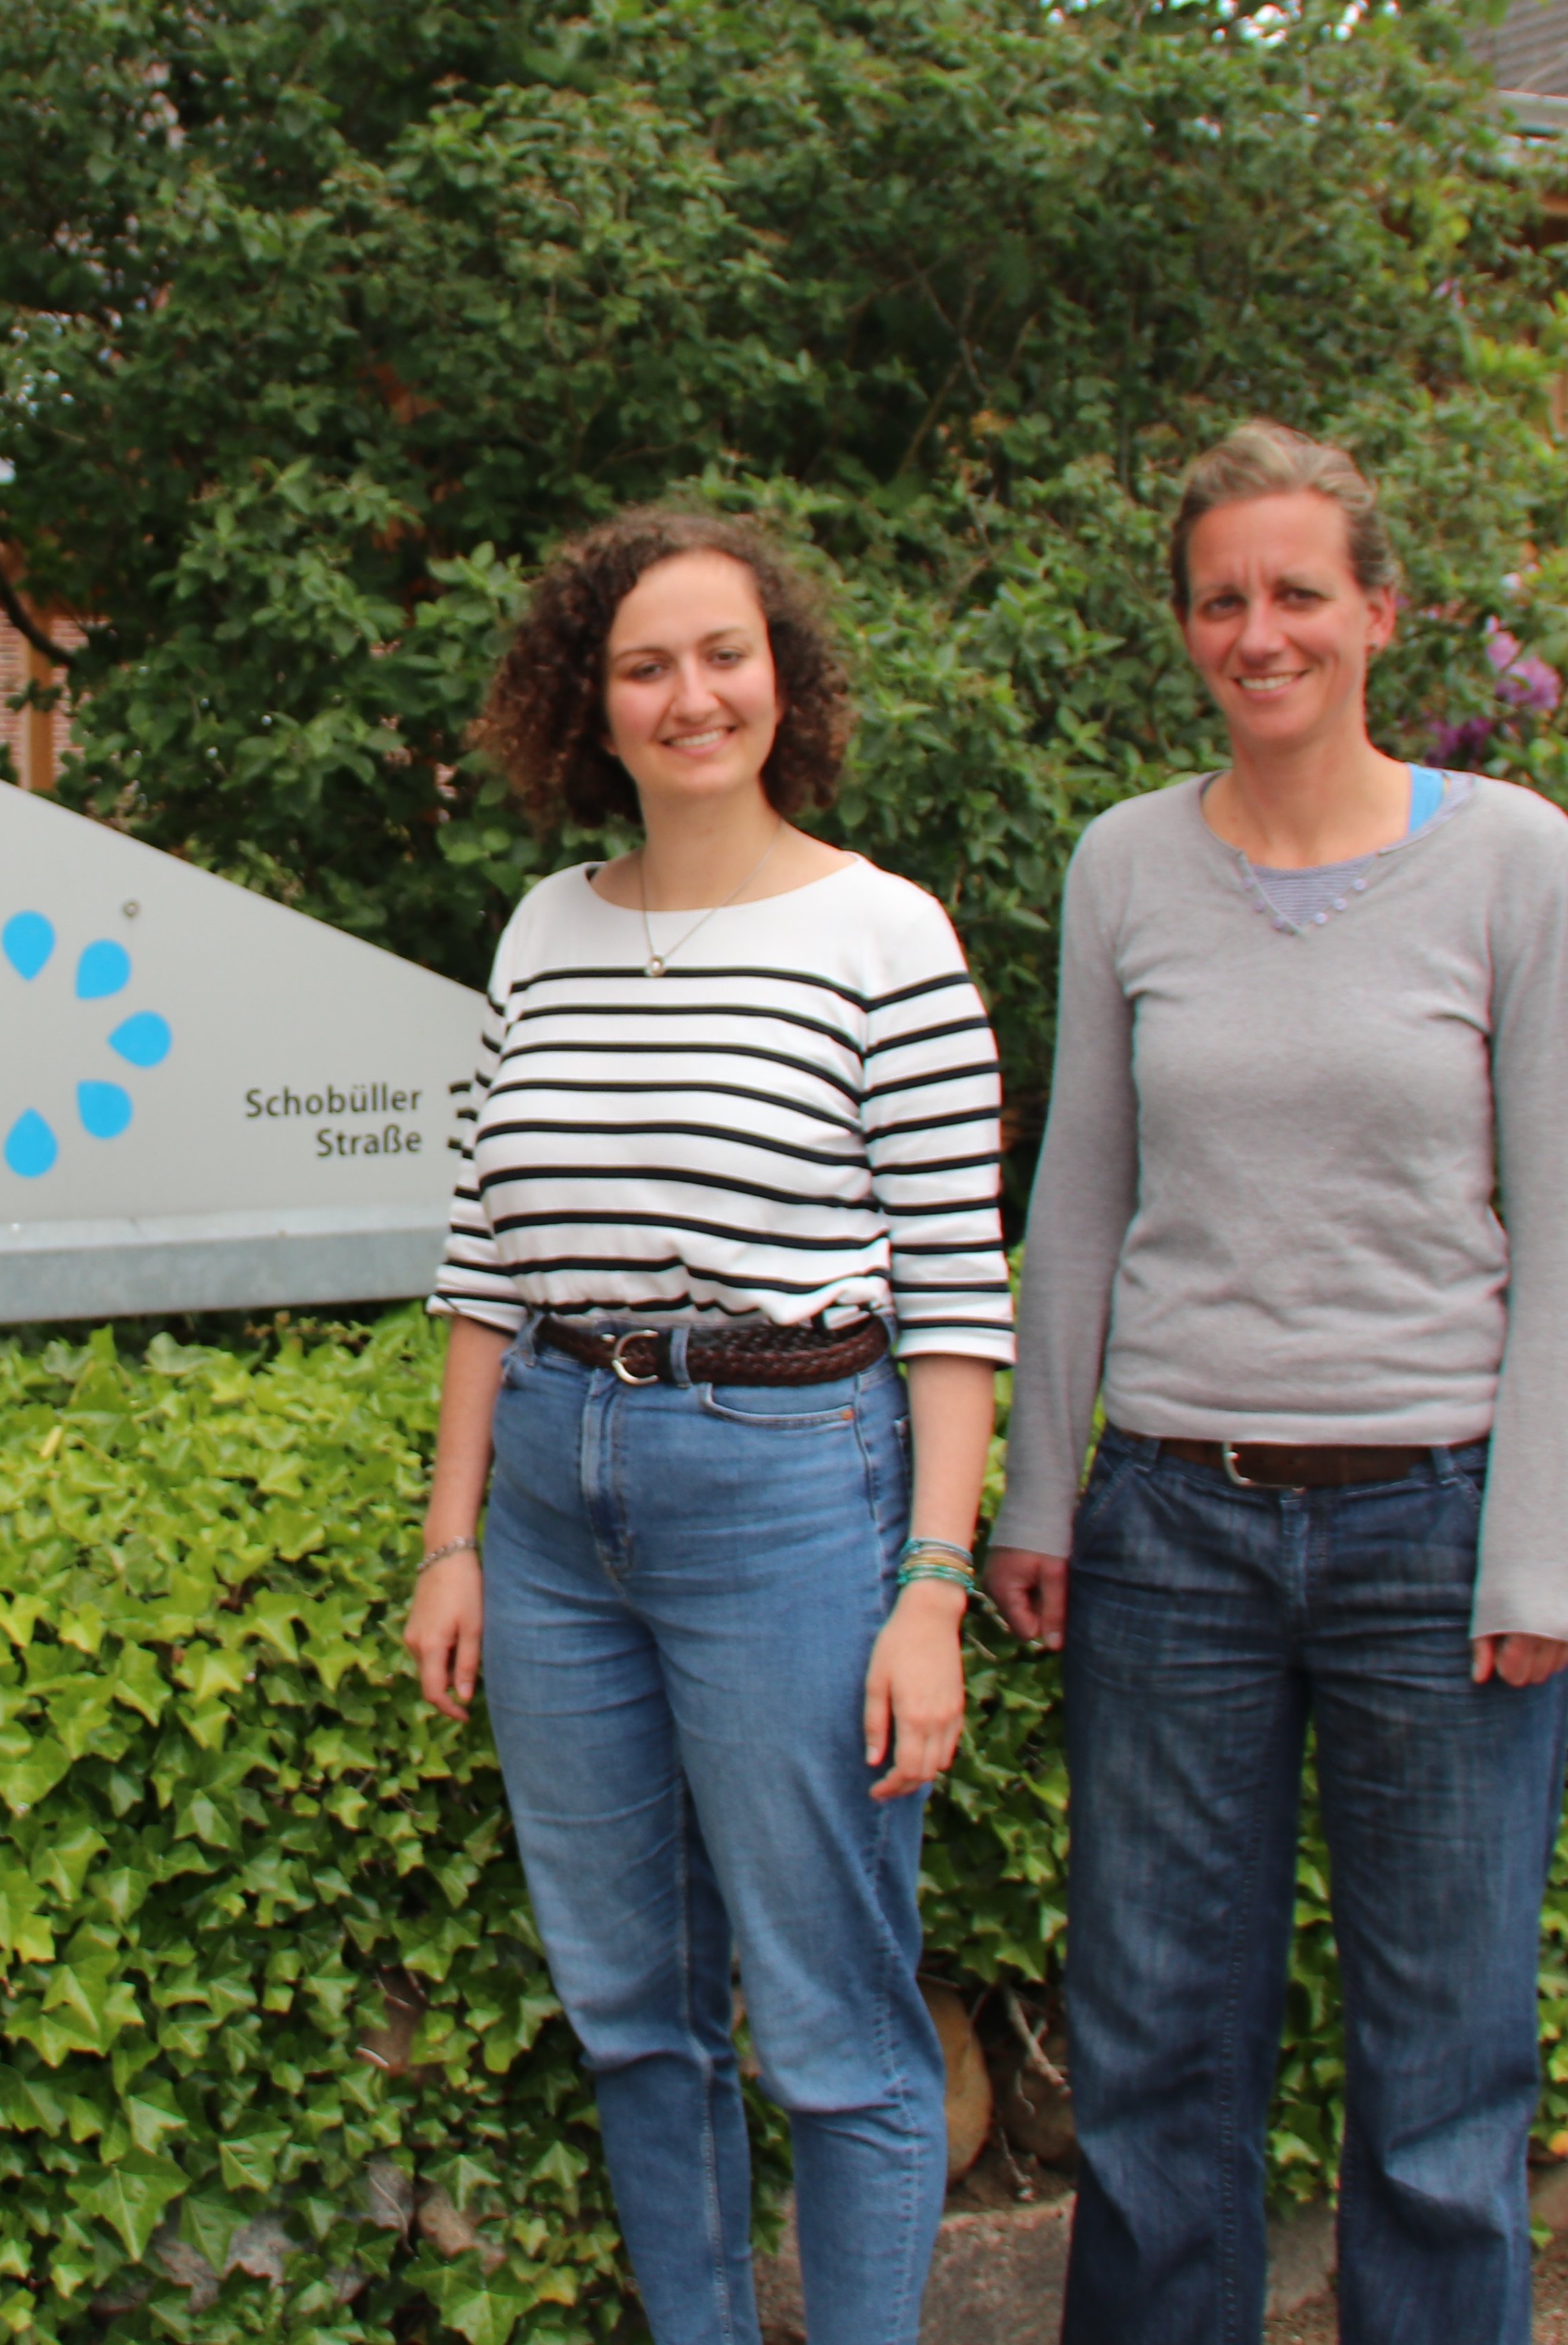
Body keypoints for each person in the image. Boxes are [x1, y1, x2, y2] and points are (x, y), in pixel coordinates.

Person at [984, 421, 1568, 2344]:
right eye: (1223, 599)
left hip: (1435, 1531)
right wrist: (1040, 1495)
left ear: (1378, 614)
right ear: (1189, 627)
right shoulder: (1126, 866)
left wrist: (1539, 1554)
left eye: (1299, 594)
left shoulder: (1509, 857)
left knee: (1443, 2081)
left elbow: (1567, 1229)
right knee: (1160, 2059)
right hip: (1175, 1531)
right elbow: (1076, 1201)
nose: (1261, 633)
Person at [407, 509, 1012, 2344]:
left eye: (723, 655)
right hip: (553, 1503)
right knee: (633, 2014)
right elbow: (479, 1263)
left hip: (788, 1496)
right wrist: (450, 1539)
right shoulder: (544, 929)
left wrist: (932, 1590)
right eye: (646, 666)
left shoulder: (882, 933)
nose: (692, 697)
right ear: (590, 707)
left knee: (833, 2025)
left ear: (786, 678)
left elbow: (961, 1300)